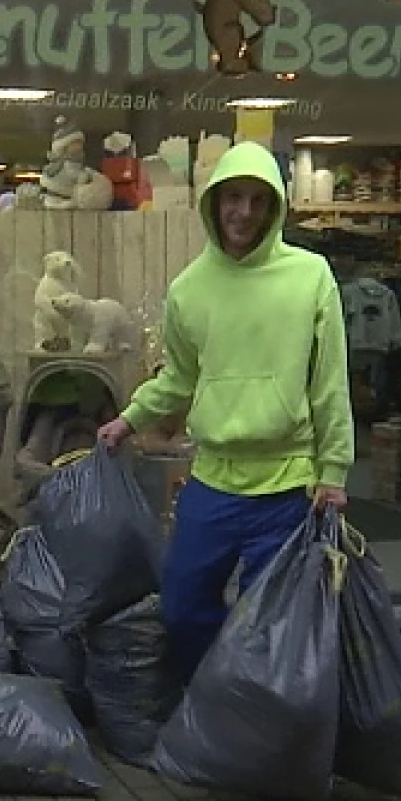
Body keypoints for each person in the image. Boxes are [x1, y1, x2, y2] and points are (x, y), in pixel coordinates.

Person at [97, 141, 354, 687]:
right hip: (212, 480)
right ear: (213, 204)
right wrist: (130, 419)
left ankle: (253, 728)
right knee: (183, 608)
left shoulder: (311, 276)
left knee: (270, 622)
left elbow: (329, 383)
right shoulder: (190, 290)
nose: (244, 212)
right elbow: (179, 378)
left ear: (275, 208)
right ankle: (210, 701)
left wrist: (333, 471)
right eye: (233, 198)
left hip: (288, 486)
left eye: (258, 201)